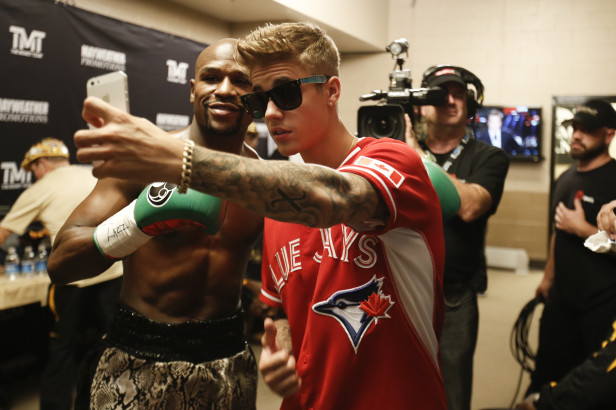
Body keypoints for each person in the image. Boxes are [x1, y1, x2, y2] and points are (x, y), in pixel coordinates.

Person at [65, 22, 449, 409]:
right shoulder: (274, 208)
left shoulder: (381, 163)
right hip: (153, 356)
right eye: (261, 100)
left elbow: (332, 198)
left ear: (332, 90)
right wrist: (280, 352)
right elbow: (281, 310)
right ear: (193, 88)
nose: (271, 113)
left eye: (284, 93)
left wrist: (176, 159)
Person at [47, 39, 263, 409]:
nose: (225, 90)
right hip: (139, 355)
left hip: (230, 358)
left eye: (240, 81)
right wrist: (136, 223)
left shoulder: (264, 180)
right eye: (211, 77)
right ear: (192, 89)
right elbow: (61, 263)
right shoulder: (145, 161)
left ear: (257, 95)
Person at [405, 65, 510, 410]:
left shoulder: (489, 157)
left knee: (452, 393)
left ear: (470, 104)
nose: (449, 100)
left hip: (454, 296)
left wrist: (414, 157)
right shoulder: (397, 148)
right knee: (397, 387)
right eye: (438, 94)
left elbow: (470, 205)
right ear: (420, 106)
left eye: (458, 93)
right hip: (396, 291)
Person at [0, 138, 123, 410]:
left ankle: (55, 406)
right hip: (113, 272)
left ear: (42, 164)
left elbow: (3, 234)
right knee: (114, 343)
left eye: (33, 169)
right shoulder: (94, 175)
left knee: (62, 348)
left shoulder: (42, 188)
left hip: (72, 279)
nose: (33, 176)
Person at [524, 99, 616, 399]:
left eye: (587, 130)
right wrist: (548, 278)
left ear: (609, 135)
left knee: (589, 391)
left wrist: (584, 229)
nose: (577, 135)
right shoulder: (564, 179)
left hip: (601, 307)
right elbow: (556, 234)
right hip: (561, 303)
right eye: (575, 128)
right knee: (547, 378)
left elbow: (573, 229)